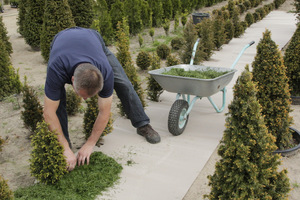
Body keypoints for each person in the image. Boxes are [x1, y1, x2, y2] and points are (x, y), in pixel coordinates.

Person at [43, 27, 160, 171]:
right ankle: (66, 149)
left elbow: (104, 112)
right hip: (61, 41)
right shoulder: (57, 68)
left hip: (93, 39)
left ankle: (142, 124)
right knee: (57, 101)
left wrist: (90, 144)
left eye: (89, 96)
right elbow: (49, 113)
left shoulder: (105, 71)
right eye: (82, 95)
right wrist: (64, 148)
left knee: (124, 84)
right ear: (72, 80)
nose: (85, 100)